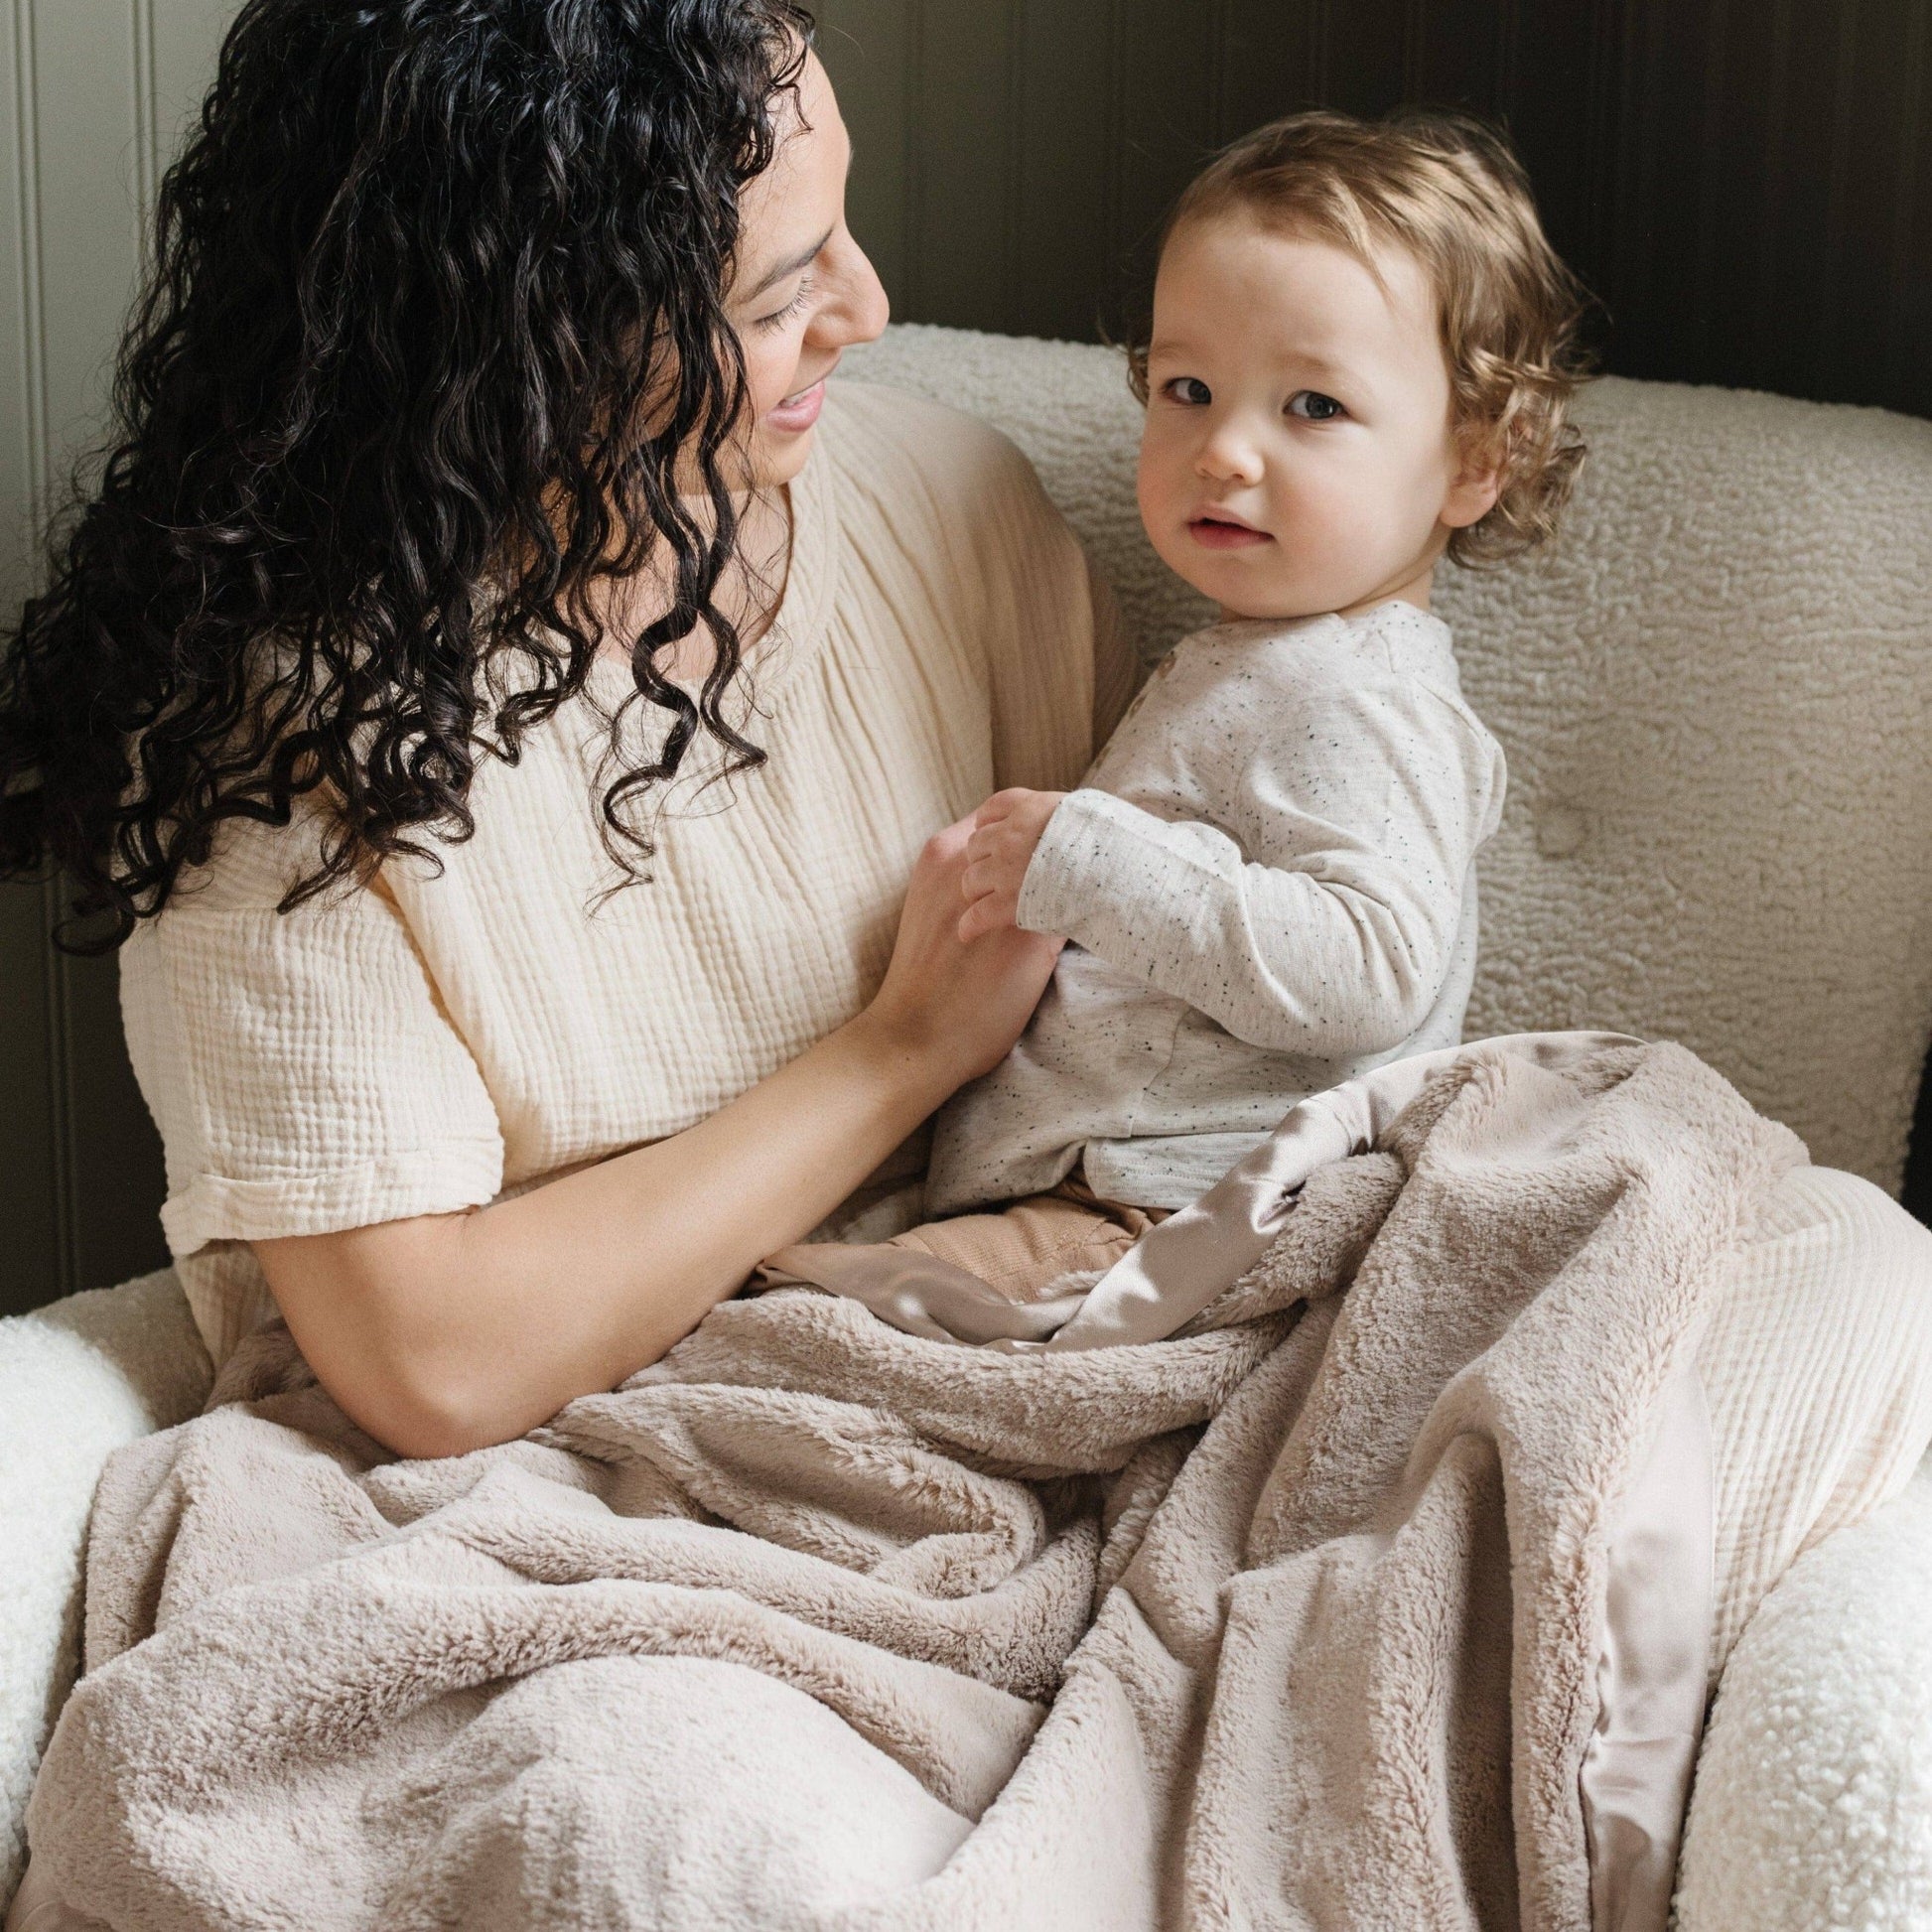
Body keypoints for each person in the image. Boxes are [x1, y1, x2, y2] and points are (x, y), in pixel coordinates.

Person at [0, 0, 1133, 1462]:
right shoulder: (281, 729)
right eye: (783, 294)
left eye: (841, 233)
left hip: (989, 1371)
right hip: (546, 1468)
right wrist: (897, 1052)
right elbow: (434, 1363)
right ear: (539, 339)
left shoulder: (955, 508)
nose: (869, 308)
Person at [764, 111, 1581, 1311]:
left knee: (802, 1320)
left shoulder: (1366, 694)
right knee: (809, 1302)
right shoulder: (1268, 657)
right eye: (1187, 387)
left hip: (1176, 1204)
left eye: (1311, 407)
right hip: (1103, 1180)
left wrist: (1088, 864)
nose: (1222, 452)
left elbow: (1371, 967)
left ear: (1473, 461)